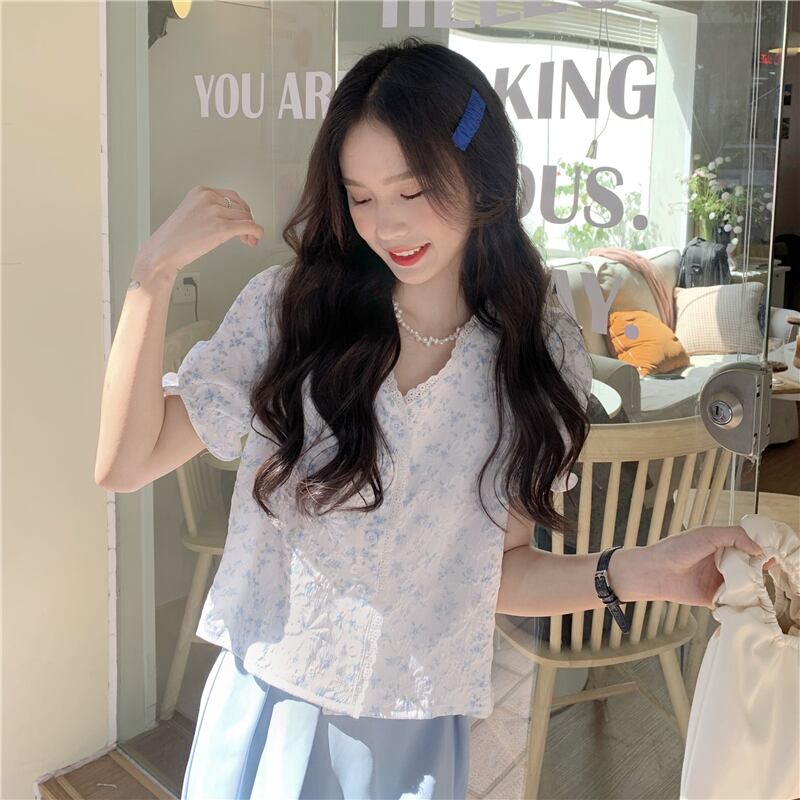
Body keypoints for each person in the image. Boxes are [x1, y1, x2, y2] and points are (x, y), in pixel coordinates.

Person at [95, 36, 773, 800]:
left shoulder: (533, 351)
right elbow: (124, 464)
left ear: (481, 175)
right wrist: (151, 276)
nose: (387, 225)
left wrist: (641, 571)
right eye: (360, 197)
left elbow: (497, 572)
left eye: (412, 190)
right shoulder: (292, 312)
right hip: (268, 715)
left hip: (414, 737)